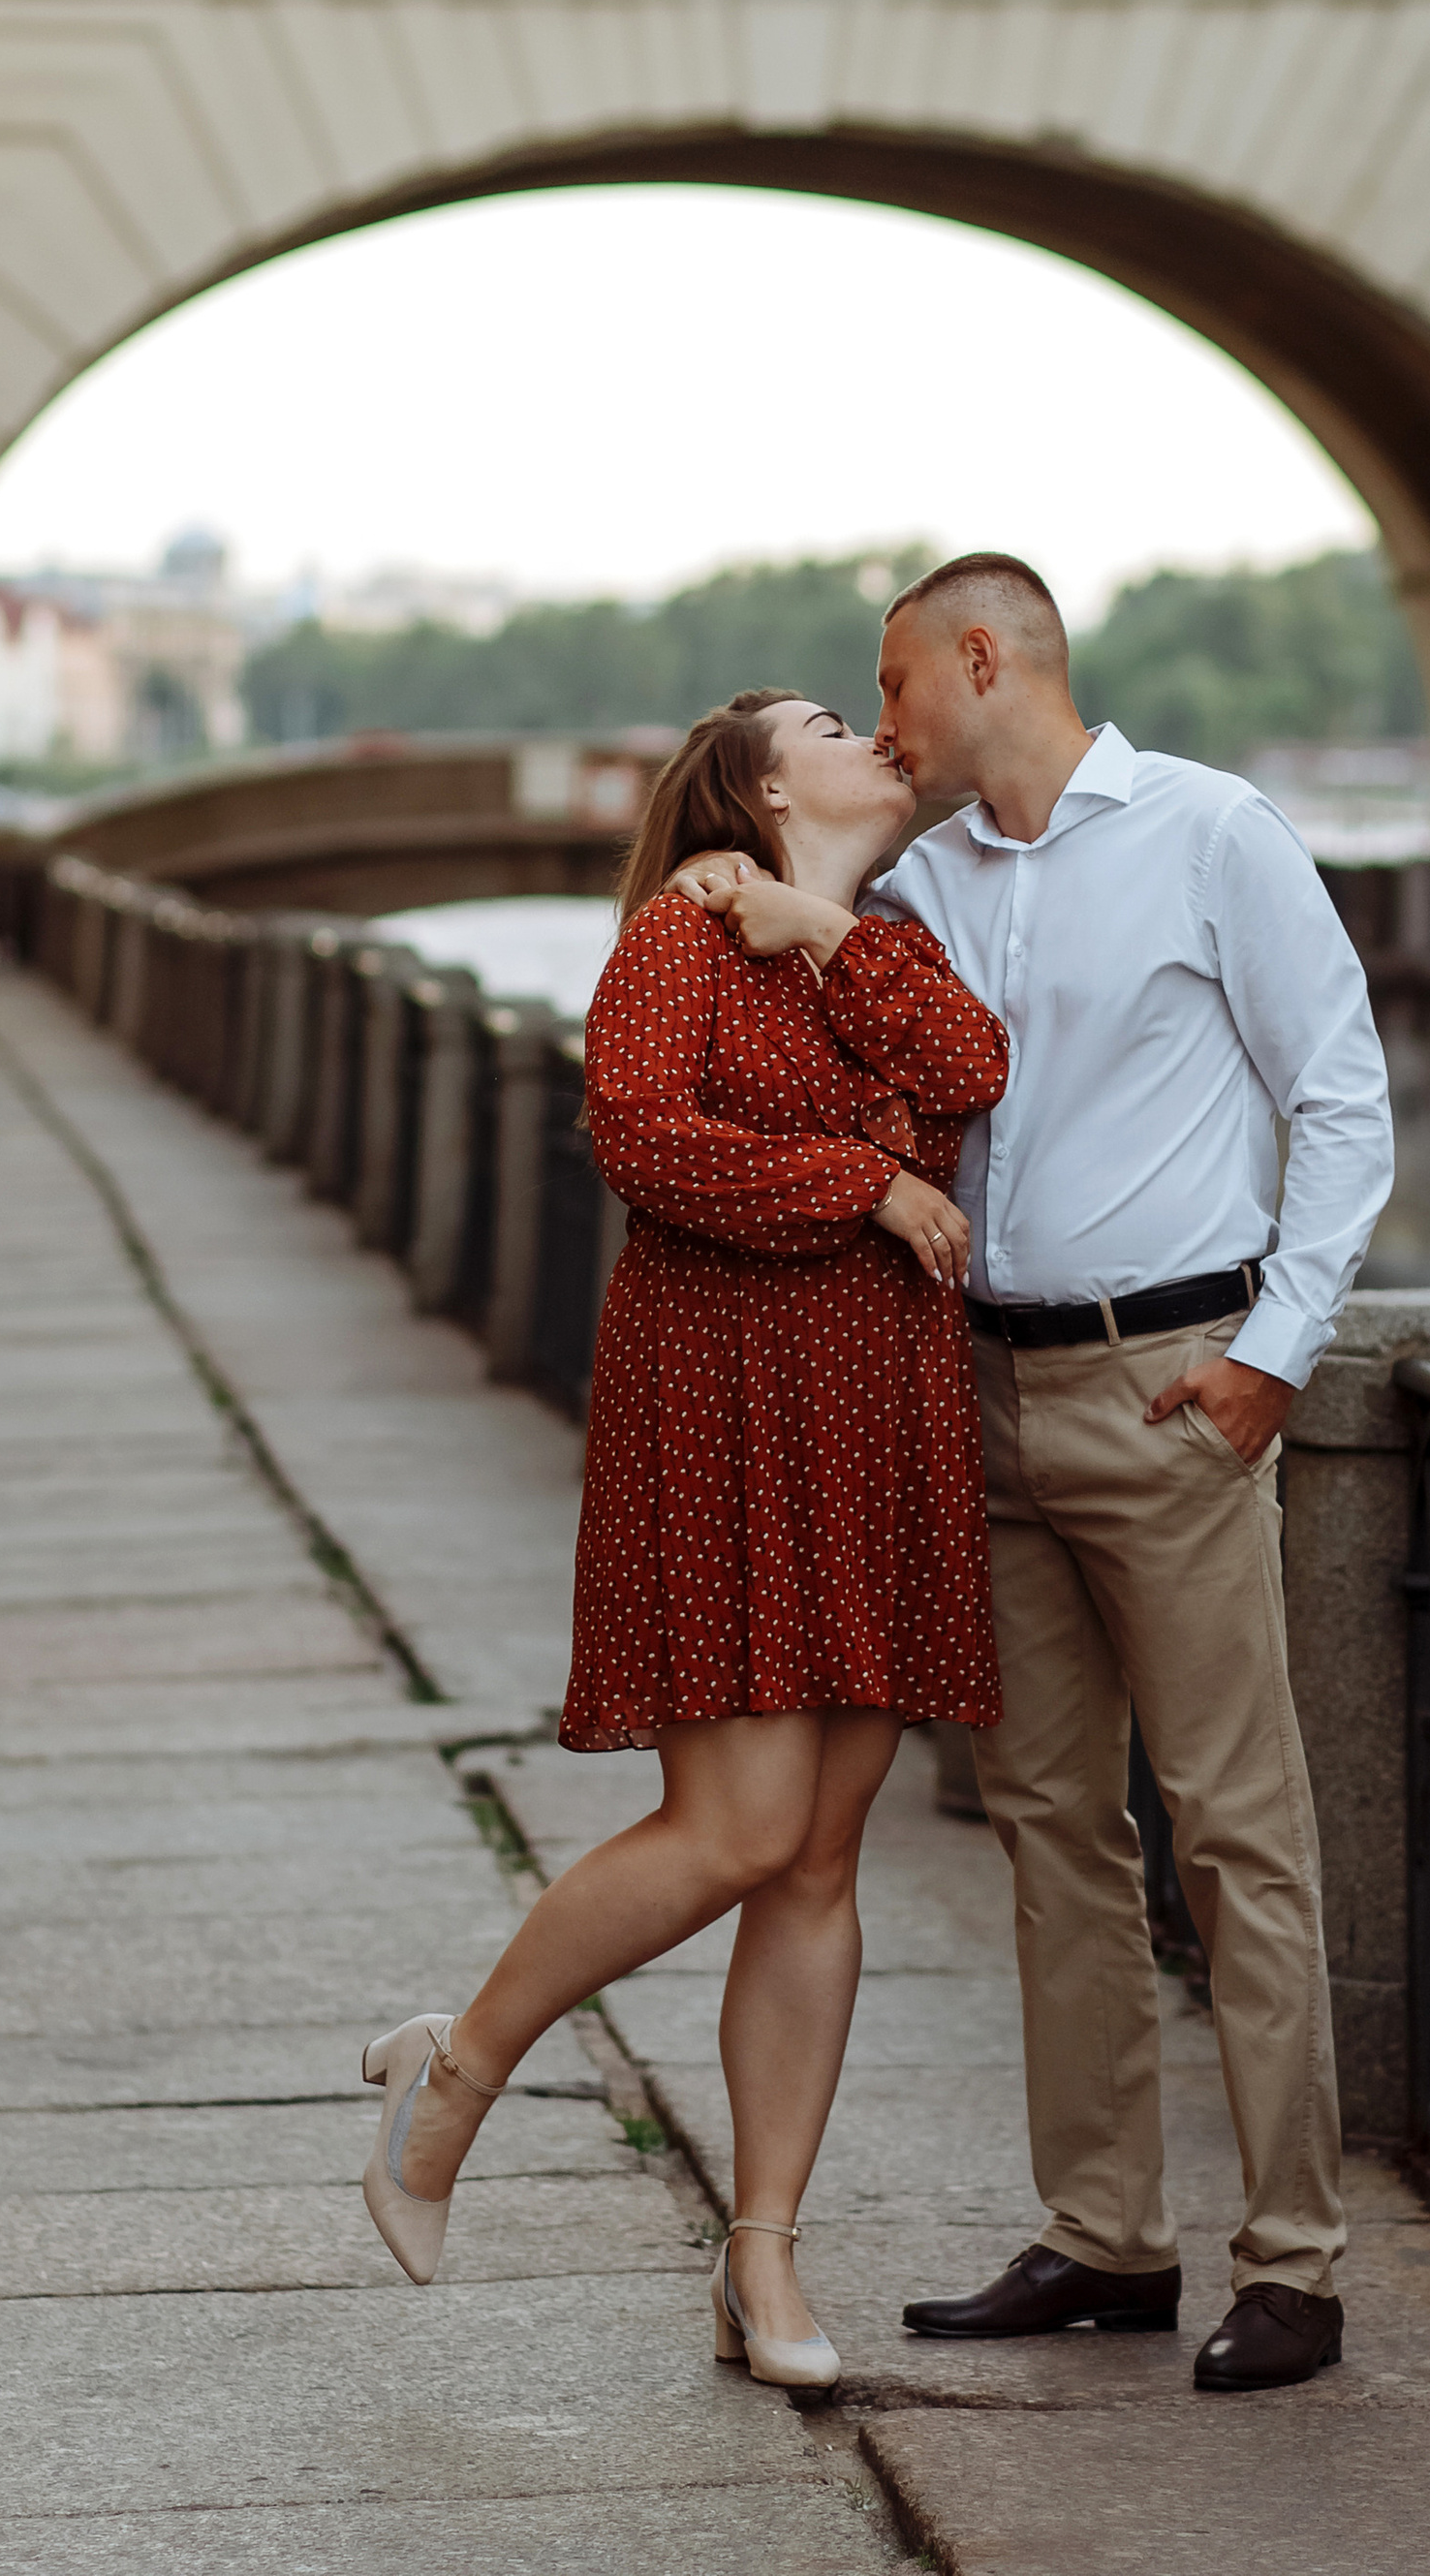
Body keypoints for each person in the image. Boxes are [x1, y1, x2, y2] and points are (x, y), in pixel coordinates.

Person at [356, 688, 1009, 2399]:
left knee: (816, 1862)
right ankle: (467, 2066)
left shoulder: (883, 942)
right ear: (754, 782)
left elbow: (972, 1074)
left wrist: (831, 937)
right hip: (721, 1414)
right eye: (824, 717)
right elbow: (641, 1139)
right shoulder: (684, 926)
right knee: (734, 1829)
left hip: (875, 1424)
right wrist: (863, 1183)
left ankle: (764, 2256)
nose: (868, 731)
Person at [792, 550, 1389, 2391]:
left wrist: (1269, 1362)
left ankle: (1293, 2261)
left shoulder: (1214, 834)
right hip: (983, 1395)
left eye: (896, 687)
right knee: (1054, 1831)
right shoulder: (923, 882)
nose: (884, 725)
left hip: (1168, 1386)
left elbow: (1343, 1099)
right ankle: (1106, 2236)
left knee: (1235, 1832)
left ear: (988, 657)